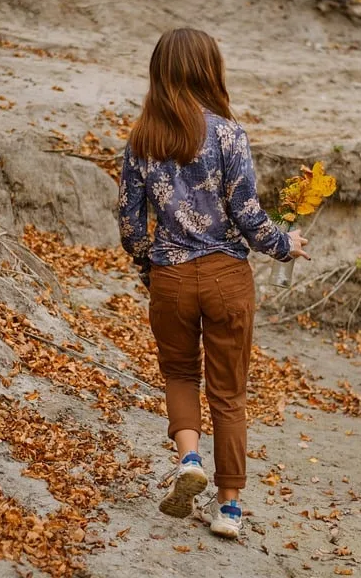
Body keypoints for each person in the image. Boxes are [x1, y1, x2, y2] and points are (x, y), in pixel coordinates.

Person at [118, 27, 309, 539]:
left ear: (159, 73)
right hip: (227, 278)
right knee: (229, 392)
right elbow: (247, 213)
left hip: (171, 279)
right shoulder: (228, 134)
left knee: (180, 374)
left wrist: (148, 264)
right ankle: (228, 508)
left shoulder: (142, 140)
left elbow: (130, 224)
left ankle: (188, 461)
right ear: (210, 70)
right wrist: (283, 245)